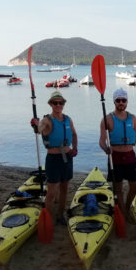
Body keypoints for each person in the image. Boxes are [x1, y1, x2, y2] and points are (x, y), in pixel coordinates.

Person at [30, 91, 78, 225]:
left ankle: (60, 215)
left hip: (67, 158)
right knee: (52, 191)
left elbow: (74, 134)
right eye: (55, 103)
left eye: (60, 103)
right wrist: (35, 124)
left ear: (63, 104)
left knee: (64, 188)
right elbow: (38, 130)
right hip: (54, 159)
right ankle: (47, 218)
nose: (58, 105)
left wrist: (75, 148)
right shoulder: (47, 120)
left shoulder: (68, 119)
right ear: (51, 104)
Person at [99, 88, 136, 217]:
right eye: (118, 100)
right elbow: (102, 140)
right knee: (118, 189)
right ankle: (122, 213)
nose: (121, 103)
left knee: (134, 186)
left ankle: (127, 207)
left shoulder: (133, 118)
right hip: (115, 157)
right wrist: (105, 148)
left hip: (130, 155)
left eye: (123, 100)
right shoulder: (107, 119)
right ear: (114, 102)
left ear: (127, 102)